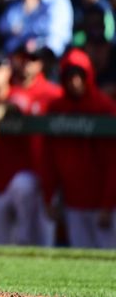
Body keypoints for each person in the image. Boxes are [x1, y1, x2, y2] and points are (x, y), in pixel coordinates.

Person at [0, 48, 53, 246]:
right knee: (1, 247)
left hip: (19, 182)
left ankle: (28, 240)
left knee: (24, 184)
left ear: (7, 71)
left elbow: (20, 102)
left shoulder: (17, 92)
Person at [43, 49, 116, 249]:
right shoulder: (56, 108)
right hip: (73, 203)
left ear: (88, 75)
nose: (75, 82)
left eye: (79, 75)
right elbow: (48, 158)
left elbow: (113, 161)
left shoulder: (105, 107)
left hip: (103, 203)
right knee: (80, 257)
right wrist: (50, 196)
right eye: (69, 76)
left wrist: (108, 205)